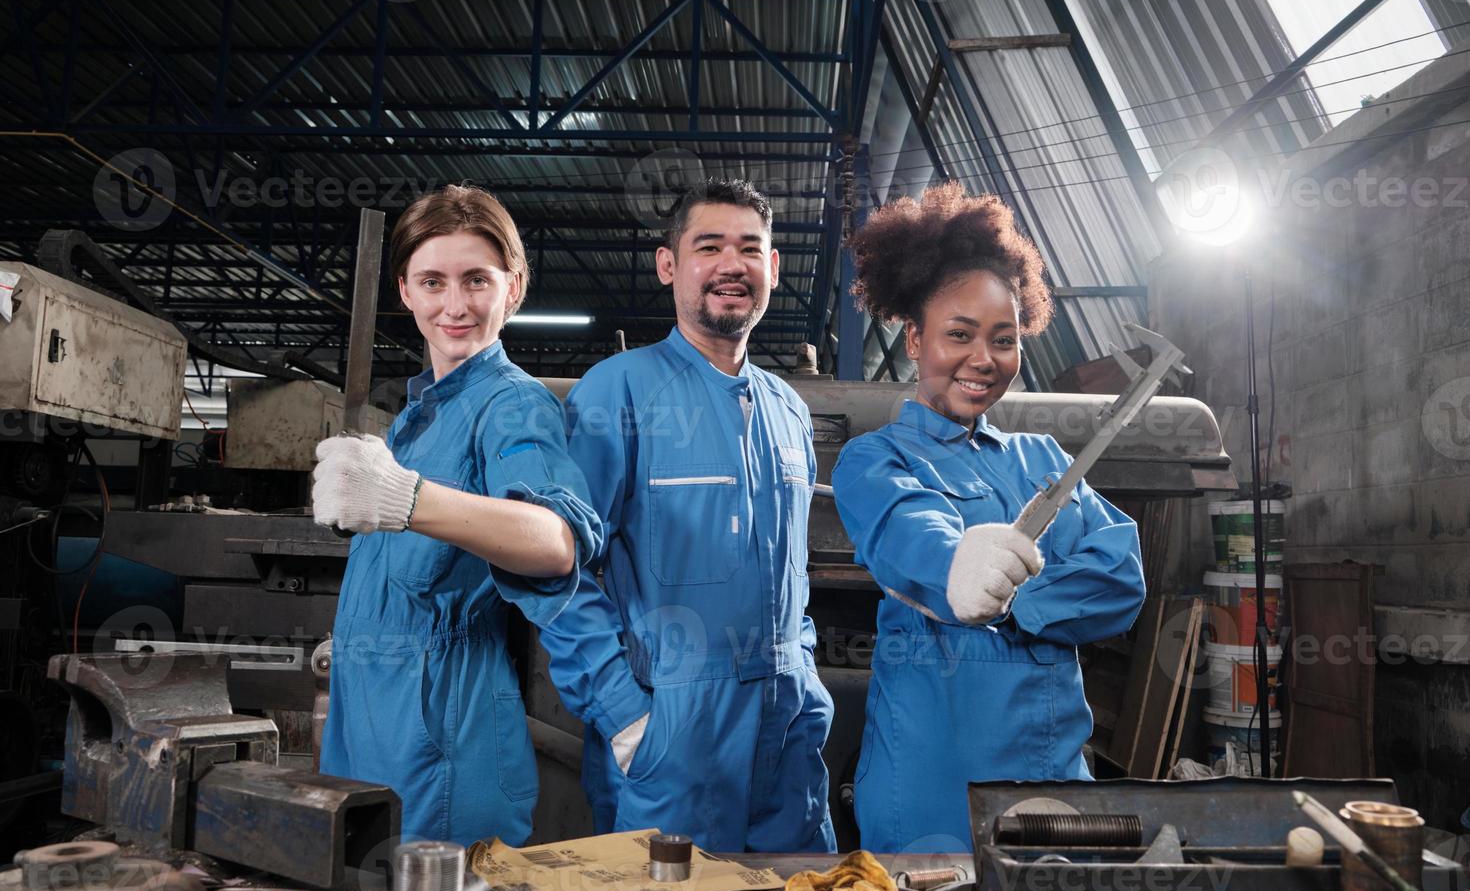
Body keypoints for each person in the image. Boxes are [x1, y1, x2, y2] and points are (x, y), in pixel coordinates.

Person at [311, 185, 641, 846]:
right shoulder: (416, 417)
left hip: (444, 741)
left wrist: (404, 500)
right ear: (405, 290)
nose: (454, 306)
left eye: (477, 281)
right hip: (369, 726)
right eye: (433, 281)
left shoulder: (512, 406)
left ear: (513, 288)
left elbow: (556, 543)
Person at [831, 183, 1146, 853]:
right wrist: (958, 570)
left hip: (1056, 783)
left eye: (1003, 340)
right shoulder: (877, 461)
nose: (984, 359)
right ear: (915, 338)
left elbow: (1120, 575)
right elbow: (911, 537)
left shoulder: (1044, 460)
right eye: (960, 335)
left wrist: (1017, 607)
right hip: (933, 796)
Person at [559, 178, 837, 853]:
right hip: (674, 733)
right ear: (668, 266)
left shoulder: (788, 410)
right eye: (707, 246)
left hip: (787, 726)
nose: (730, 265)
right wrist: (625, 716)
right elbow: (558, 576)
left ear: (772, 269)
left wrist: (803, 671)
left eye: (750, 249)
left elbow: (791, 577)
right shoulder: (616, 392)